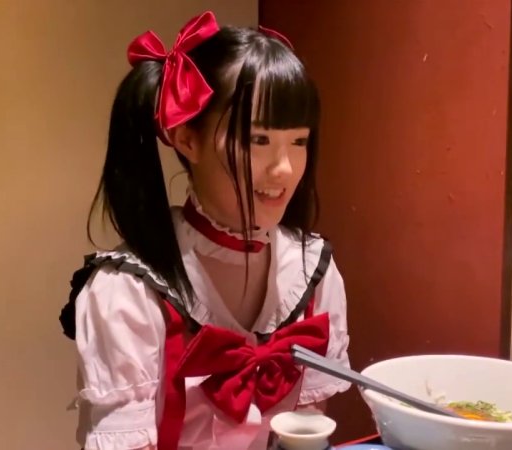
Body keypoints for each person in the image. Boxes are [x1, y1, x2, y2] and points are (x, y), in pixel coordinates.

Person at [58, 11, 351, 450]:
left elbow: (307, 428)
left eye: (299, 141)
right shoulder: (128, 292)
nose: (285, 169)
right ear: (187, 139)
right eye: (258, 140)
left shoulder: (312, 271)